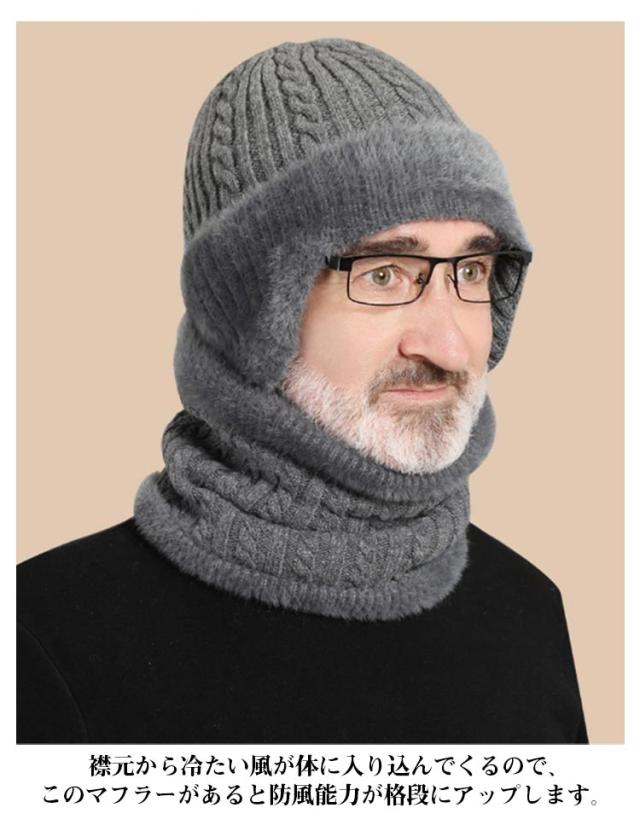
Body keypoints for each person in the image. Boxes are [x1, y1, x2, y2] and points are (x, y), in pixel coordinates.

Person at [17, 37, 588, 743]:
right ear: (250, 310)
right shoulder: (47, 640)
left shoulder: (528, 611)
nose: (448, 345)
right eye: (384, 274)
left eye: (471, 272)